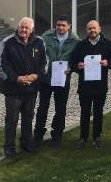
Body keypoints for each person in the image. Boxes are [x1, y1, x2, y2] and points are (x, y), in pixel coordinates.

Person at [0, 17, 46, 157]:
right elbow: (0, 66)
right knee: (12, 120)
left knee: (28, 117)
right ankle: (9, 147)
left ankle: (26, 143)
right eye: (21, 27)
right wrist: (16, 78)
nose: (23, 30)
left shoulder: (39, 42)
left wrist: (36, 76)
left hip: (31, 89)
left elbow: (44, 63)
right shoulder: (7, 42)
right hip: (13, 90)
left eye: (26, 28)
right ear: (17, 27)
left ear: (32, 30)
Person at [33, 15, 80, 148]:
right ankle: (38, 134)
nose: (60, 27)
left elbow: (77, 59)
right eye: (58, 25)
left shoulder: (75, 40)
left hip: (63, 79)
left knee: (60, 108)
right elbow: (38, 54)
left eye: (63, 25)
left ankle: (57, 134)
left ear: (69, 26)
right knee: (42, 107)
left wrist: (71, 68)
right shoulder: (46, 36)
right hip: (46, 79)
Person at [69, 20, 111, 149]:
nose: (92, 31)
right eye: (89, 29)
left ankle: (97, 136)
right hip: (85, 86)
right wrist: (78, 66)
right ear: (86, 30)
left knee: (98, 112)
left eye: (94, 28)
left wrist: (108, 63)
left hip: (100, 85)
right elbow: (73, 63)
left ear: (99, 29)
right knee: (84, 112)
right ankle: (83, 138)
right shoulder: (80, 45)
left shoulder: (107, 44)